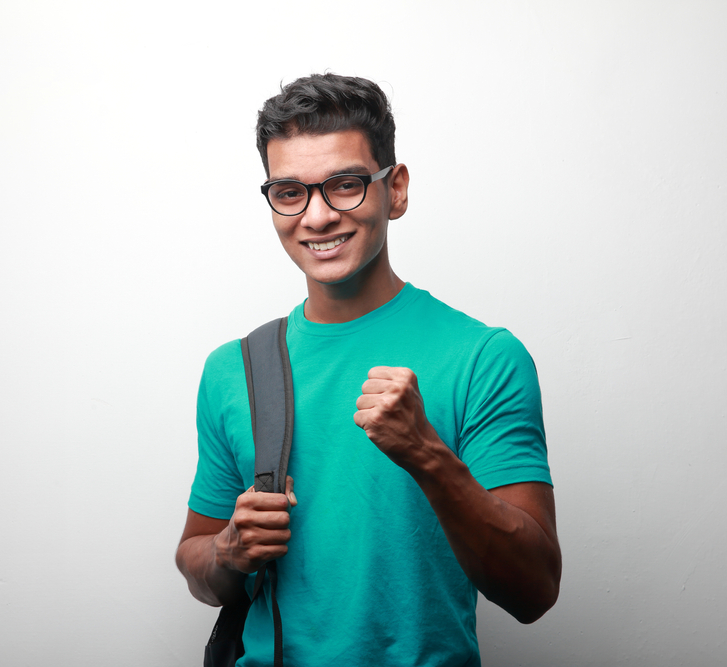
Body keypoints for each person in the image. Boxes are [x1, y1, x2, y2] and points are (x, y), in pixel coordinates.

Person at [176, 73, 561, 666]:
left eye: (346, 185)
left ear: (396, 189)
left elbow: (535, 590)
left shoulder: (484, 357)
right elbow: (195, 560)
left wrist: (427, 455)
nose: (318, 216)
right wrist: (229, 550)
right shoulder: (235, 369)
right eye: (289, 192)